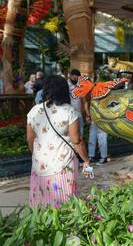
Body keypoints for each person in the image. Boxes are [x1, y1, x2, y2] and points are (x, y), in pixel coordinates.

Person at [26, 75, 91, 208]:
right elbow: (77, 141)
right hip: (63, 163)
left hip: (39, 165)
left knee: (41, 202)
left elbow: (30, 139)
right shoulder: (69, 111)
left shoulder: (34, 111)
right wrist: (86, 160)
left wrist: (36, 155)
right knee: (64, 200)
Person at [67, 69, 90, 136]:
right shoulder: (65, 85)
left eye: (77, 77)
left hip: (78, 113)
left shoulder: (80, 86)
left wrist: (87, 115)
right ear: (71, 76)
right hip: (68, 112)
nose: (76, 78)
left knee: (80, 133)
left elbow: (84, 101)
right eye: (75, 76)